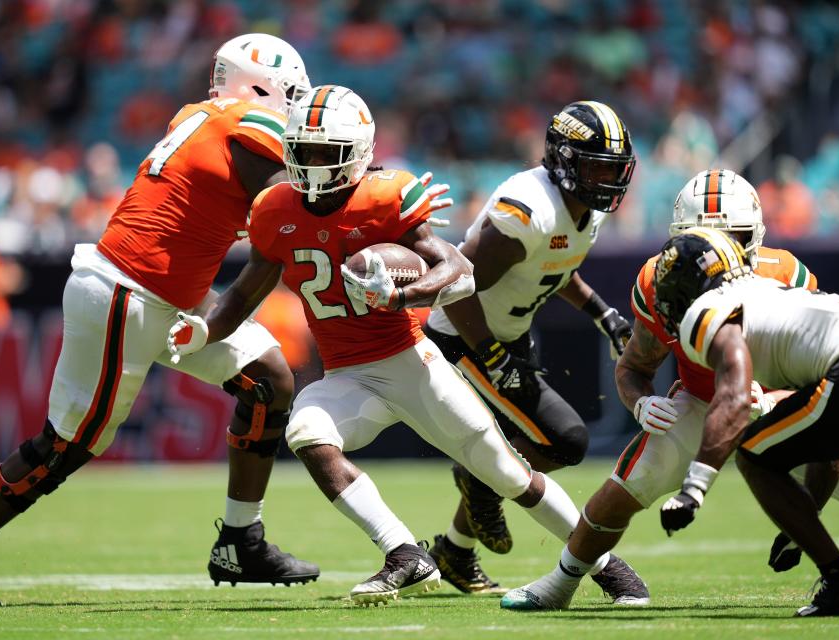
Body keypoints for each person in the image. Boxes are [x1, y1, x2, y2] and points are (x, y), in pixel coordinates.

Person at [167, 85, 648, 606]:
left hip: (412, 365)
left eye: (328, 152)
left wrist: (402, 294)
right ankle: (404, 553)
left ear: (358, 152)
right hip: (347, 375)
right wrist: (207, 330)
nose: (314, 164)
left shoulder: (384, 196)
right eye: (305, 151)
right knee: (307, 429)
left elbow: (458, 270)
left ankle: (607, 568)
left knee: (510, 475)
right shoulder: (274, 207)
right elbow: (243, 291)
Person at [0, 33, 318, 607]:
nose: (294, 104)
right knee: (72, 443)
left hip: (166, 298)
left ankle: (241, 540)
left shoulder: (203, 113)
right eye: (291, 93)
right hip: (127, 294)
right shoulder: (247, 121)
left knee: (269, 379)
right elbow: (287, 205)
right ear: (261, 87)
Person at [499, 169, 839, 611]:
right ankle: (560, 584)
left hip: (786, 397)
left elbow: (821, 379)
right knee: (625, 487)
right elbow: (635, 367)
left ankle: (837, 576)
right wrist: (641, 402)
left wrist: (774, 401)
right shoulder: (666, 277)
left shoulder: (783, 273)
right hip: (703, 400)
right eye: (699, 237)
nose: (713, 250)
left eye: (730, 236)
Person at [422, 101, 646, 601]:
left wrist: (601, 313)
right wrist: (491, 355)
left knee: (532, 447)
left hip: (506, 338)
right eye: (597, 167)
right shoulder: (526, 210)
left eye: (615, 169)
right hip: (464, 339)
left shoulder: (581, 208)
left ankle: (456, 549)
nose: (608, 180)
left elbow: (554, 265)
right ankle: (482, 486)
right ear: (565, 161)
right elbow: (454, 286)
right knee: (565, 439)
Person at [653, 227, 839, 616]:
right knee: (772, 448)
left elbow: (734, 398)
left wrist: (693, 489)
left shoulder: (708, 309)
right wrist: (800, 525)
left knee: (754, 455)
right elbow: (830, 454)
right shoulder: (775, 294)